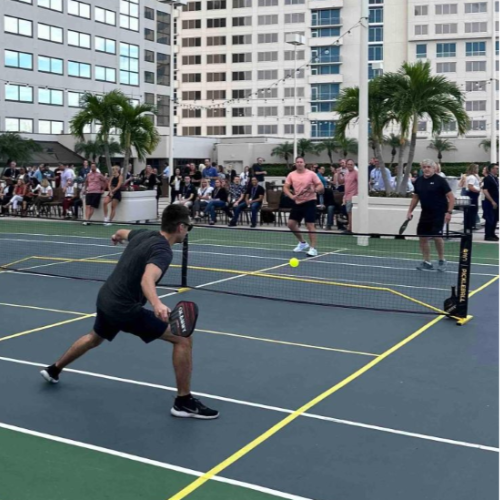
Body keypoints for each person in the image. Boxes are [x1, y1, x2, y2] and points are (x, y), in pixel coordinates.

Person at [40, 204, 219, 419]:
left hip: (106, 297)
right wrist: (156, 304)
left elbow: (123, 232)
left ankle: (54, 369)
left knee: (94, 338)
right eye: (188, 227)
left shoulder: (144, 235)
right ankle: (183, 401)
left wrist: (116, 235)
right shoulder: (163, 251)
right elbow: (147, 279)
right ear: (180, 227)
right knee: (183, 339)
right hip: (123, 307)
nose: (187, 232)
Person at [407, 159, 455, 271]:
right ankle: (427, 261)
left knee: (437, 237)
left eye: (429, 167)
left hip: (439, 213)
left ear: (434, 168)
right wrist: (410, 211)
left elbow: (451, 197)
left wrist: (449, 212)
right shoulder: (418, 181)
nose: (426, 169)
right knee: (422, 237)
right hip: (425, 213)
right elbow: (416, 197)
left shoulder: (440, 181)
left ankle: (442, 260)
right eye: (424, 167)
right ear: (422, 169)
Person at [283, 156, 324, 257]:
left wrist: (314, 190)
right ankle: (302, 243)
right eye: (297, 162)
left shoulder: (311, 174)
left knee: (310, 225)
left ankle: (313, 248)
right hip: (298, 202)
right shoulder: (291, 175)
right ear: (295, 164)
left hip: (310, 201)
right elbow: (285, 187)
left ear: (304, 163)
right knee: (291, 224)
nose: (299, 163)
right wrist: (291, 196)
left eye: (301, 162)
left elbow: (321, 186)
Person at [483, 163, 499, 241]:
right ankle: (488, 235)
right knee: (490, 218)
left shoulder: (495, 178)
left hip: (497, 199)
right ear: (491, 169)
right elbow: (485, 190)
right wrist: (492, 201)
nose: (497, 170)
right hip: (490, 201)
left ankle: (492, 233)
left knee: (495, 218)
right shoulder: (487, 178)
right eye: (496, 168)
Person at [343, 159, 358, 234]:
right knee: (348, 212)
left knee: (350, 213)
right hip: (347, 196)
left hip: (353, 196)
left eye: (351, 164)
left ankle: (351, 228)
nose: (350, 166)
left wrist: (357, 194)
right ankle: (350, 226)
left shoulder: (356, 173)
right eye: (348, 164)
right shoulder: (346, 173)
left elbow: (360, 183)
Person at [464, 164, 481, 231]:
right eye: (477, 168)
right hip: (472, 194)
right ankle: (470, 224)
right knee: (472, 210)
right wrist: (477, 190)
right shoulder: (472, 177)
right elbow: (470, 186)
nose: (478, 170)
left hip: (474, 194)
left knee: (474, 210)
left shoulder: (474, 176)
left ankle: (471, 224)